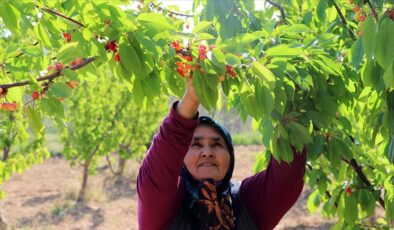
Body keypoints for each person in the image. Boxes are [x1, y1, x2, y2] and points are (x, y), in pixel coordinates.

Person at [137, 76, 307, 230]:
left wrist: (290, 103)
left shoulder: (246, 201)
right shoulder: (165, 206)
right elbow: (158, 167)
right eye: (195, 145)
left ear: (230, 157)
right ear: (180, 158)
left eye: (217, 144)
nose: (207, 152)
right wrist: (190, 99)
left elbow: (287, 176)